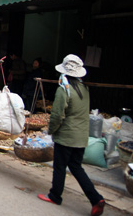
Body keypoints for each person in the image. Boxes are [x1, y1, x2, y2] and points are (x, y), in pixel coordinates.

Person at [38, 54, 105, 216]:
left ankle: (55, 195)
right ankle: (96, 198)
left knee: (60, 166)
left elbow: (57, 115)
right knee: (76, 167)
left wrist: (50, 131)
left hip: (66, 137)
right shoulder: (84, 89)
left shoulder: (63, 90)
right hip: (81, 137)